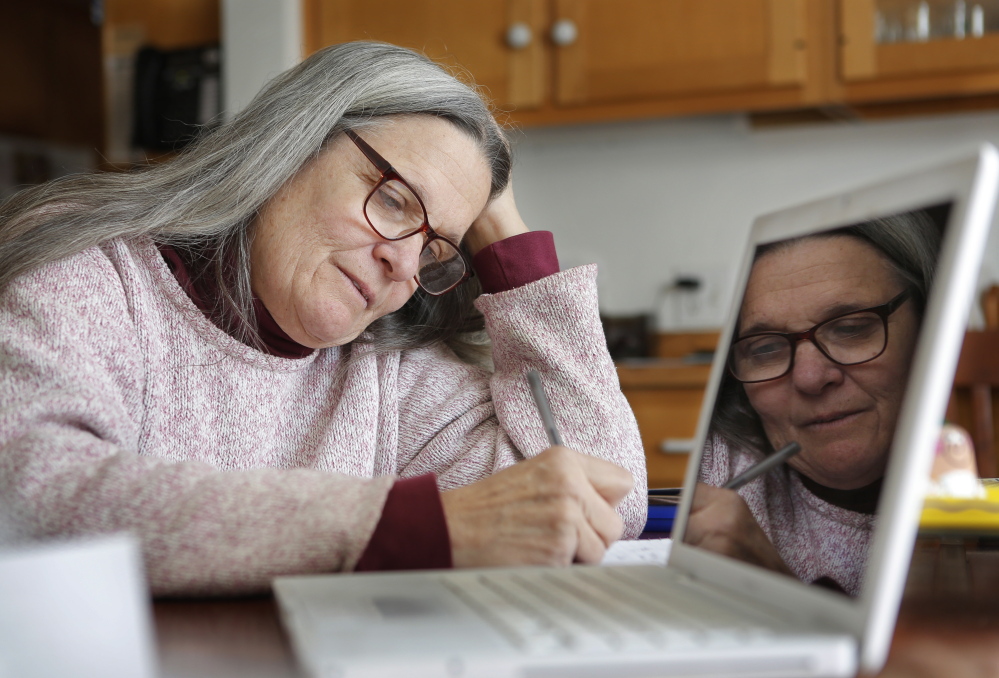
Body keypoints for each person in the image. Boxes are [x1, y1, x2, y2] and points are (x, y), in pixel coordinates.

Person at [0, 42, 646, 596]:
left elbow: (602, 503)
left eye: (436, 247)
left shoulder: (387, 369)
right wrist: (404, 525)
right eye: (394, 200)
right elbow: (31, 490)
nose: (404, 265)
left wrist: (501, 227)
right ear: (290, 145)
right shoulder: (96, 266)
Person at [684, 212, 940, 595]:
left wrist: (770, 591)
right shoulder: (716, 464)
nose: (810, 378)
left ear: (931, 324)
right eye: (767, 347)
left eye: (851, 328)